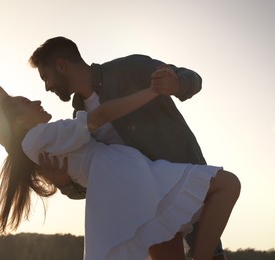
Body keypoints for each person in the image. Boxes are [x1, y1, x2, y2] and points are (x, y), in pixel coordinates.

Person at [0, 82, 240, 260]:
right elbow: (100, 116)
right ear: (19, 121)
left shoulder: (49, 140)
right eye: (25, 101)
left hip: (137, 182)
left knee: (226, 185)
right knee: (227, 184)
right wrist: (151, 91)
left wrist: (65, 185)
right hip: (132, 187)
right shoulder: (36, 139)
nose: (37, 100)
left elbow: (84, 169)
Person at [28, 36, 227, 259]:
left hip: (185, 185)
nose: (47, 87)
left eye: (46, 77)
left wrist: (176, 83)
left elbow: (192, 78)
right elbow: (104, 180)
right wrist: (65, 184)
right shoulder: (80, 118)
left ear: (61, 65)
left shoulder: (130, 68)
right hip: (147, 209)